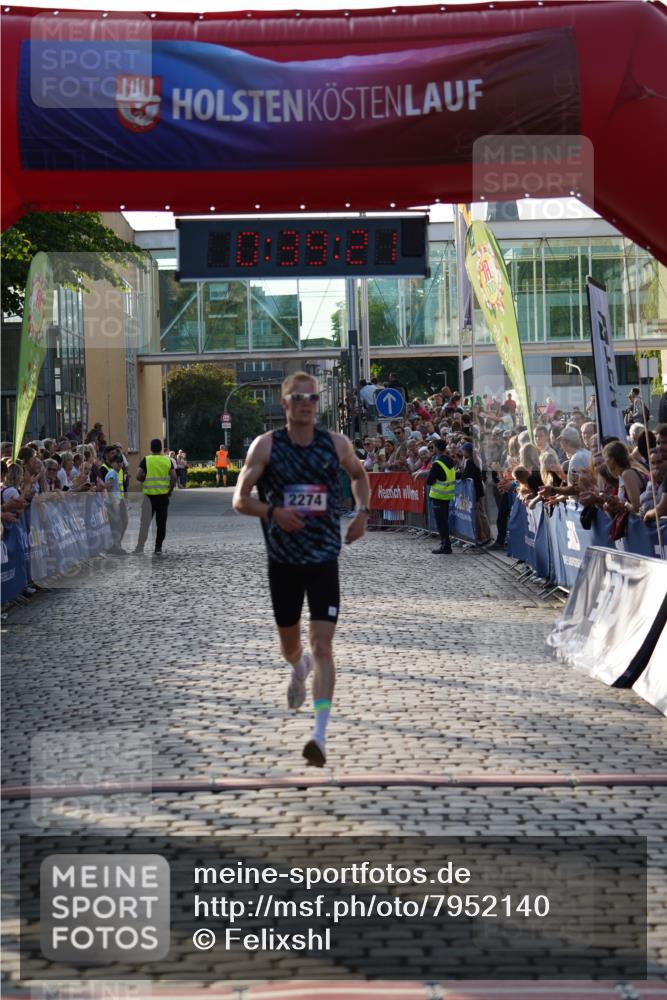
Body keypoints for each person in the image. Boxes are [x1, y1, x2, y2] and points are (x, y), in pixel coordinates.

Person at [233, 371, 370, 768]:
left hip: (325, 558)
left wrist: (363, 512)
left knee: (324, 646)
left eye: (311, 398)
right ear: (284, 403)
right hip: (284, 562)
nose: (305, 403)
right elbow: (240, 500)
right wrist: (274, 511)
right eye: (297, 398)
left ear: (317, 403)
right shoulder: (266, 447)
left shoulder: (336, 444)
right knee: (291, 647)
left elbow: (359, 476)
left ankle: (320, 735)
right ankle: (297, 668)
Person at [134, 438, 176, 556]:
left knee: (145, 523)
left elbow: (138, 475)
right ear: (161, 448)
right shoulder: (168, 460)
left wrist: (144, 480)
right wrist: (170, 489)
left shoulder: (146, 460)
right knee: (161, 524)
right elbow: (174, 477)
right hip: (163, 497)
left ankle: (140, 547)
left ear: (151, 448)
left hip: (149, 497)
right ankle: (158, 548)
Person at [426, 439, 456, 554]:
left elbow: (430, 481)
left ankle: (446, 546)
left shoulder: (438, 463)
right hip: (447, 496)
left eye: (433, 447)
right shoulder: (450, 461)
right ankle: (446, 544)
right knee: (444, 522)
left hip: (439, 496)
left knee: (441, 523)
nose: (432, 450)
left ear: (437, 448)